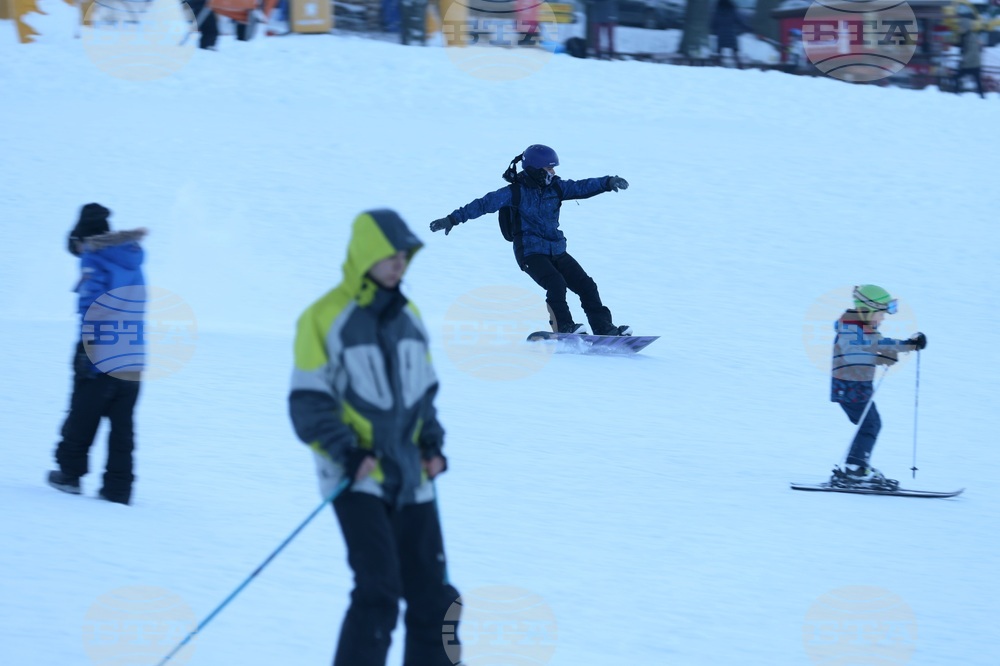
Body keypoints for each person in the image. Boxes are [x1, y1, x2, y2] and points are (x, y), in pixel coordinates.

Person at [288, 209, 460, 666]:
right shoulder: (324, 317)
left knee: (438, 599)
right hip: (357, 476)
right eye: (390, 255)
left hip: (412, 474)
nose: (399, 263)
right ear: (366, 255)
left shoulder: (411, 317)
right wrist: (348, 451)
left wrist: (432, 445)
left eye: (404, 255)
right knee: (378, 592)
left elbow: (424, 394)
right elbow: (307, 401)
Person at [429, 144, 632, 337]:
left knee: (586, 285)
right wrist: (452, 219)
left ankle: (604, 329)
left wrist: (608, 182)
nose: (552, 173)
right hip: (530, 252)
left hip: (556, 250)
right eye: (549, 168)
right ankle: (564, 328)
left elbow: (581, 187)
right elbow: (482, 204)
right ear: (536, 169)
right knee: (556, 283)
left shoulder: (556, 188)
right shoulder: (514, 192)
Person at [47, 204, 147, 505]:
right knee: (122, 426)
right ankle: (118, 489)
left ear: (84, 237)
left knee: (82, 415)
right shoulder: (132, 258)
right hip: (133, 354)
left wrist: (86, 349)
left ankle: (69, 476)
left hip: (102, 352)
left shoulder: (94, 257)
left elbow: (93, 305)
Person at [829, 284, 926, 489]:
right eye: (881, 314)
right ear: (868, 310)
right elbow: (853, 354)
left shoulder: (865, 329)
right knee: (871, 424)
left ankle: (855, 467)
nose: (883, 318)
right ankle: (855, 469)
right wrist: (879, 357)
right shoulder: (849, 329)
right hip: (849, 388)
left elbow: (881, 345)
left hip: (856, 389)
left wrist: (909, 344)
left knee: (870, 424)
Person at [711, 0, 751, 69]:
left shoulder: (717, 12)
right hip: (731, 34)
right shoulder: (732, 11)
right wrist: (748, 28)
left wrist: (714, 31)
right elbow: (739, 21)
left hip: (721, 34)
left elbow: (713, 24)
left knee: (719, 52)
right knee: (735, 53)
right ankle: (739, 66)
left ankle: (717, 66)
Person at [954, 19, 985, 99]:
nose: (959, 28)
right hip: (972, 63)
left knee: (957, 77)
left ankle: (956, 94)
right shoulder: (965, 36)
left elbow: (972, 51)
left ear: (965, 27)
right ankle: (982, 97)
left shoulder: (971, 37)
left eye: (960, 27)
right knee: (977, 81)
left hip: (972, 63)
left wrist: (964, 59)